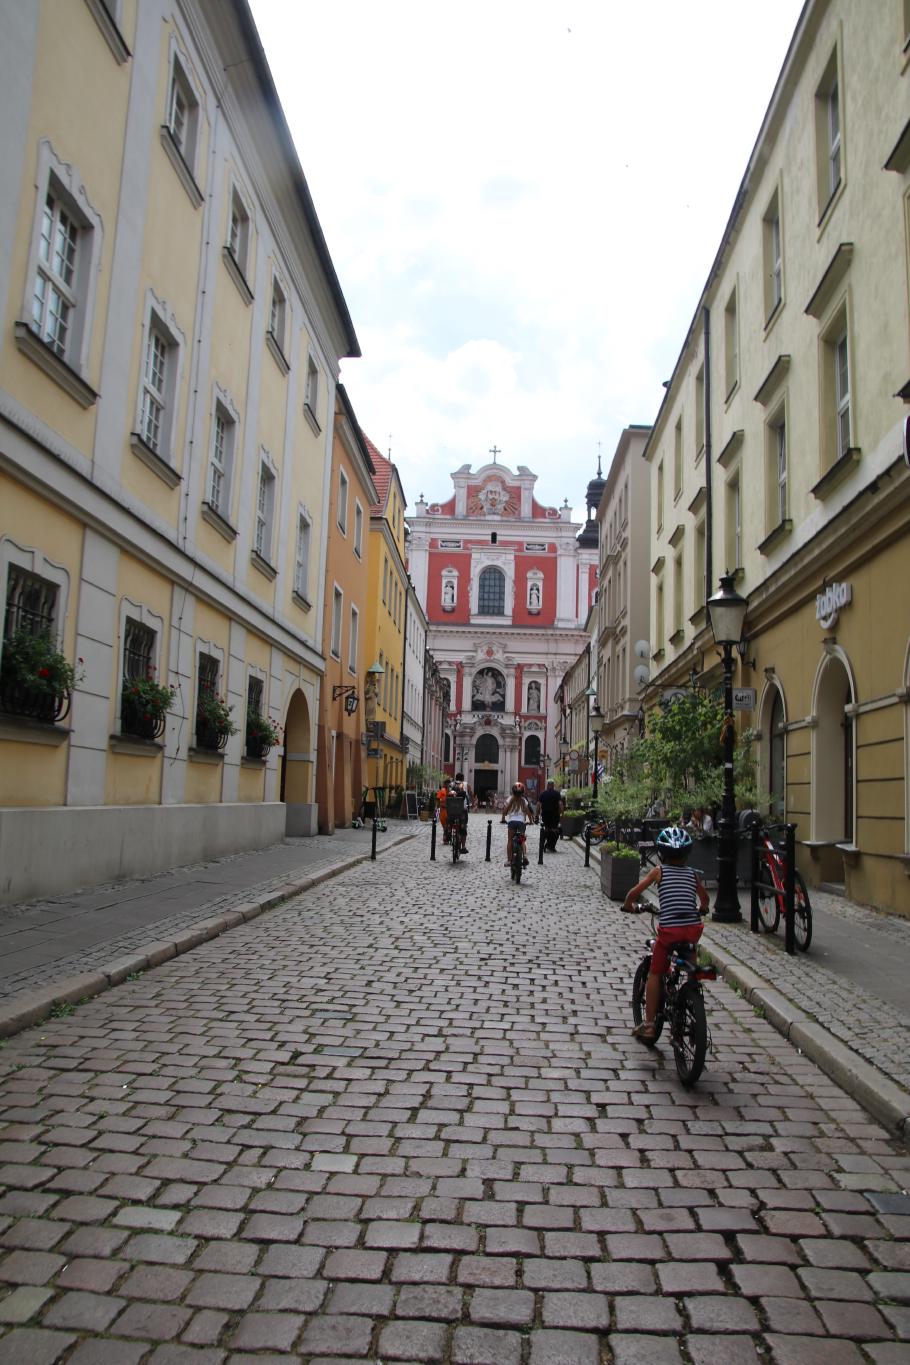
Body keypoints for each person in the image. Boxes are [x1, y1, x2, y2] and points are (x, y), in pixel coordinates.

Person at [622, 826, 709, 1041]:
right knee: (690, 955)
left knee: (655, 972)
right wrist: (702, 909)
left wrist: (628, 904)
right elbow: (705, 899)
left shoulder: (659, 871)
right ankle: (692, 989)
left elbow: (634, 892)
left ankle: (650, 1024)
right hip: (693, 930)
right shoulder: (692, 874)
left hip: (669, 931)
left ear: (661, 853)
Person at [501, 782, 534, 866]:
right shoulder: (524, 801)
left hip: (512, 822)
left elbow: (505, 810)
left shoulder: (510, 799)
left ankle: (509, 860)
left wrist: (503, 819)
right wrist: (530, 821)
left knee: (510, 840)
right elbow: (528, 812)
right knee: (522, 840)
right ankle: (525, 856)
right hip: (521, 823)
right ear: (522, 792)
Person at [446, 774, 470, 853]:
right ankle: (463, 846)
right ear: (463, 779)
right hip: (462, 810)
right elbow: (469, 794)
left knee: (449, 820)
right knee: (463, 827)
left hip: (451, 809)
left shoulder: (451, 784)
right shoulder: (465, 784)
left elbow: (447, 794)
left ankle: (448, 833)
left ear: (455, 778)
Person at [538, 779, 564, 851]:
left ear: (547, 785)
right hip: (555, 815)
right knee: (554, 830)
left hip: (545, 815)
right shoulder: (557, 794)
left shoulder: (543, 793)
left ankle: (545, 844)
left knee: (546, 829)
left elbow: (538, 804)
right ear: (553, 785)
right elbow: (560, 804)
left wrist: (537, 815)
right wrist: (562, 813)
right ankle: (550, 845)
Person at [436, 778, 451, 843]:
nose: (448, 785)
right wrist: (436, 808)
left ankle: (446, 838)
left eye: (449, 784)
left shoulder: (451, 791)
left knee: (447, 825)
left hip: (449, 810)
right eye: (447, 784)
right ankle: (446, 837)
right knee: (444, 825)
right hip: (443, 810)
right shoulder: (442, 790)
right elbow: (437, 799)